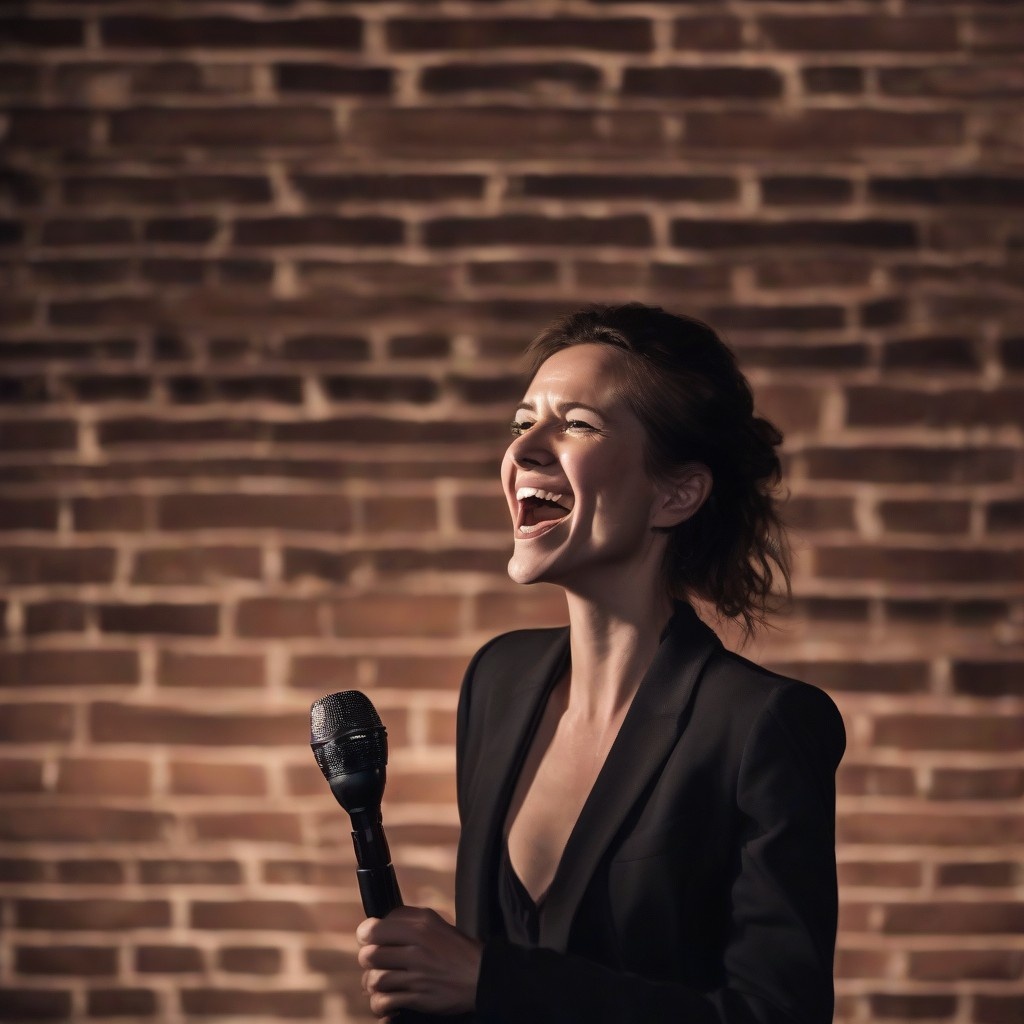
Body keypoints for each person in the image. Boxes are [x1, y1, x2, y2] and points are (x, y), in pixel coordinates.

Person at [356, 304, 846, 1023]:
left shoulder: (759, 725)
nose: (525, 450)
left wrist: (492, 980)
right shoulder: (497, 681)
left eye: (579, 424)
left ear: (676, 494)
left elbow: (776, 1015)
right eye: (523, 423)